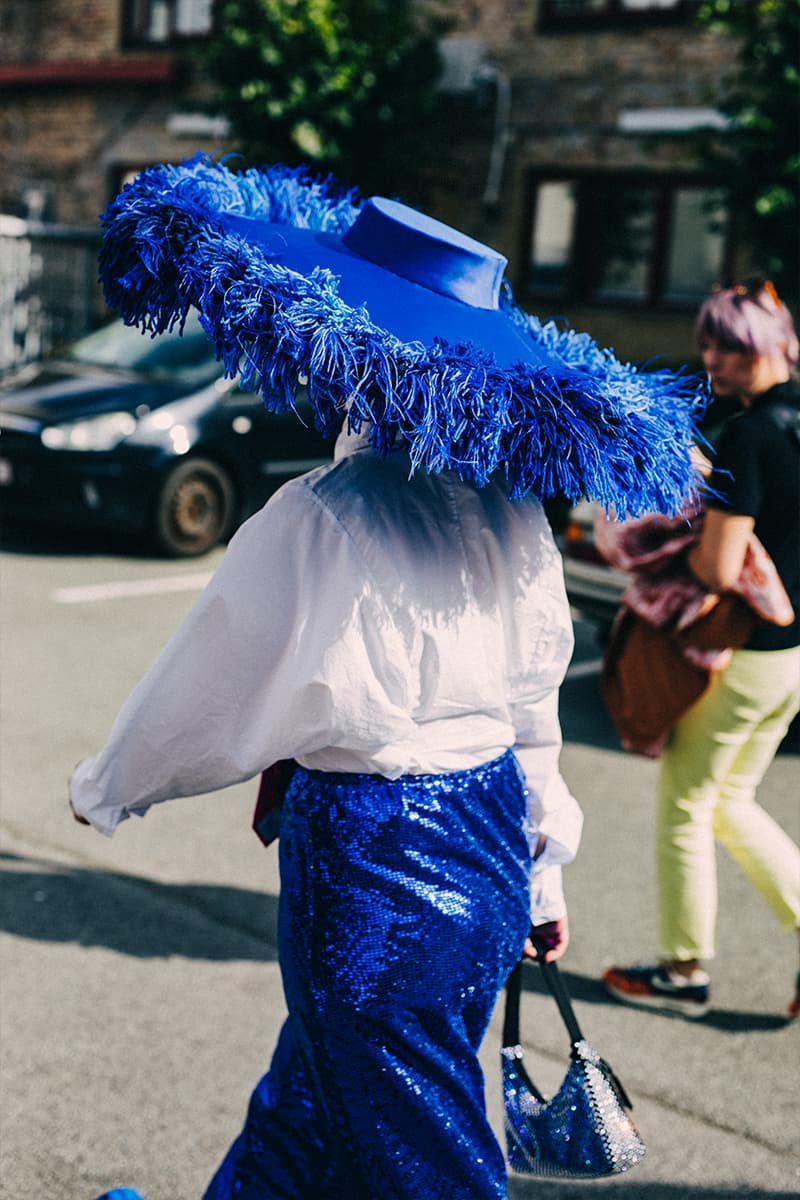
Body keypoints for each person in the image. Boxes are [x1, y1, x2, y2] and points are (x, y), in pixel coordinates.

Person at [71, 154, 703, 1200]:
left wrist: (109, 784)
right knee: (315, 1110)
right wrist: (542, 873)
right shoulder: (514, 518)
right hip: (490, 836)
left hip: (375, 859)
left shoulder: (322, 512)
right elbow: (531, 706)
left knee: (425, 1156)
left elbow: (213, 681)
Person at [603, 277, 800, 1021]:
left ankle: (683, 967)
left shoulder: (748, 436)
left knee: (688, 804)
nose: (712, 357)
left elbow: (721, 568)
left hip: (745, 654)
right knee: (733, 801)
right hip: (793, 657)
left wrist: (663, 541)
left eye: (727, 342)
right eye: (707, 341)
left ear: (766, 343)